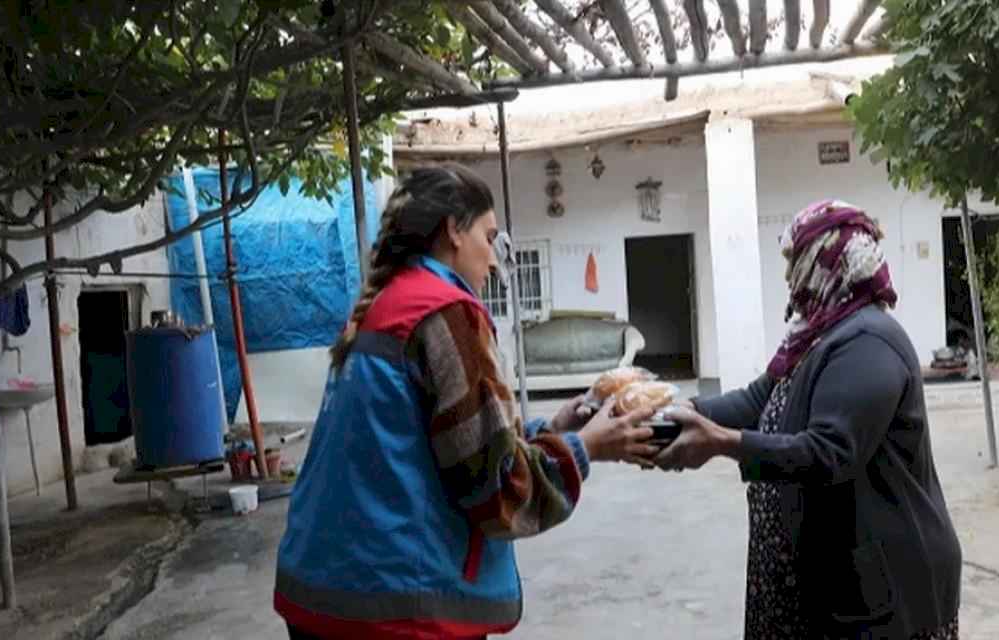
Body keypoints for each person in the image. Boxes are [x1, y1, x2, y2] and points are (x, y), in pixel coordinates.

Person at [274, 164, 658, 640]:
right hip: (393, 611)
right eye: (489, 236)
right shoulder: (445, 312)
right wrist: (586, 447)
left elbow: (432, 447)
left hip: (321, 593)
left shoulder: (383, 306)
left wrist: (551, 429)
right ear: (454, 230)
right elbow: (497, 492)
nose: (495, 261)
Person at [656, 200, 963, 640]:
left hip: (884, 584)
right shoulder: (816, 335)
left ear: (827, 264)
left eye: (795, 261)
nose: (788, 277)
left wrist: (723, 442)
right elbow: (761, 399)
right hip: (836, 572)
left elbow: (829, 452)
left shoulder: (869, 342)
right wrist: (673, 413)